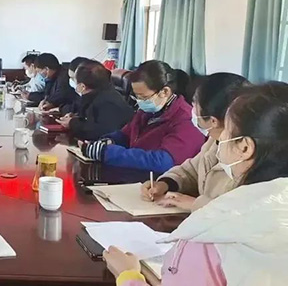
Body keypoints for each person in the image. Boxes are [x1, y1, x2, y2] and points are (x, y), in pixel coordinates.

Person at [104, 82, 288, 286]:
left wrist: (128, 276)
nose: (220, 137)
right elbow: (192, 168)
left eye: (227, 131)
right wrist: (167, 182)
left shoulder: (214, 236)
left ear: (245, 147)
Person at [140, 72, 250, 211]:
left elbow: (237, 212)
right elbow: (192, 170)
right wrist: (165, 184)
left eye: (194, 104)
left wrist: (195, 203)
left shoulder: (245, 156)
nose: (191, 110)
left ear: (213, 121)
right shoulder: (214, 139)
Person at [81, 60, 204, 174]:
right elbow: (126, 134)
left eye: (144, 97)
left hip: (159, 182)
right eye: (137, 97)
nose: (139, 102)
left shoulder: (186, 120)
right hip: (133, 175)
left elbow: (163, 162)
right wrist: (109, 141)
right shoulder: (147, 111)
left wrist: (108, 153)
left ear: (165, 92)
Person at [56, 61, 134, 140]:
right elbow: (91, 119)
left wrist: (72, 123)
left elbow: (101, 132)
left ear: (82, 86)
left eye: (74, 80)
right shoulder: (99, 94)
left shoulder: (107, 103)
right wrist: (76, 118)